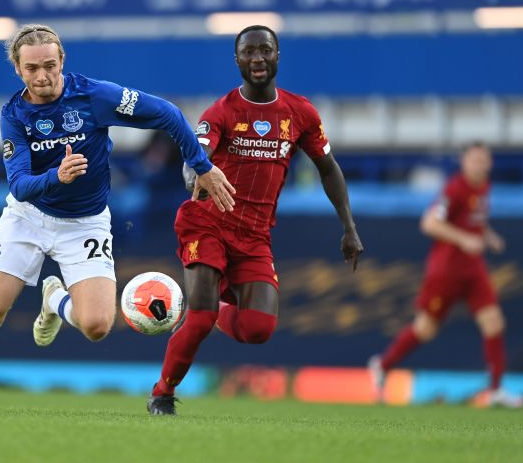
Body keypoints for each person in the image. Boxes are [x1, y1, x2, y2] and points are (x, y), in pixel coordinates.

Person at [0, 24, 235, 412]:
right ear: (17, 69)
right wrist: (55, 177)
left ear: (63, 61)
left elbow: (167, 114)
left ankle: (56, 300)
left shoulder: (94, 97)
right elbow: (20, 186)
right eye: (32, 69)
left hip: (85, 223)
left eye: (49, 65)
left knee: (97, 326)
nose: (42, 76)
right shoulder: (13, 115)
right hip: (27, 218)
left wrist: (202, 164)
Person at [146, 25, 364, 415]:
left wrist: (348, 227)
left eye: (265, 50)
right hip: (208, 222)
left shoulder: (300, 113)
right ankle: (162, 392)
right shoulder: (222, 111)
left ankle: (215, 309)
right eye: (249, 52)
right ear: (238, 60)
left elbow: (328, 168)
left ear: (278, 54)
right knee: (198, 319)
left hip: (255, 235)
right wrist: (194, 175)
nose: (258, 59)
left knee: (258, 329)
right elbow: (195, 155)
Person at [368, 142, 523, 407]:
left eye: (484, 160)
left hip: (473, 268)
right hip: (447, 271)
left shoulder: (484, 187)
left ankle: (496, 390)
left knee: (494, 323)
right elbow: (429, 223)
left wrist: (488, 236)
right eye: (475, 160)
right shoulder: (454, 189)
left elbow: (473, 220)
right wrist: (464, 239)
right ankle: (382, 365)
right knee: (426, 329)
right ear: (464, 162)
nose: (480, 165)